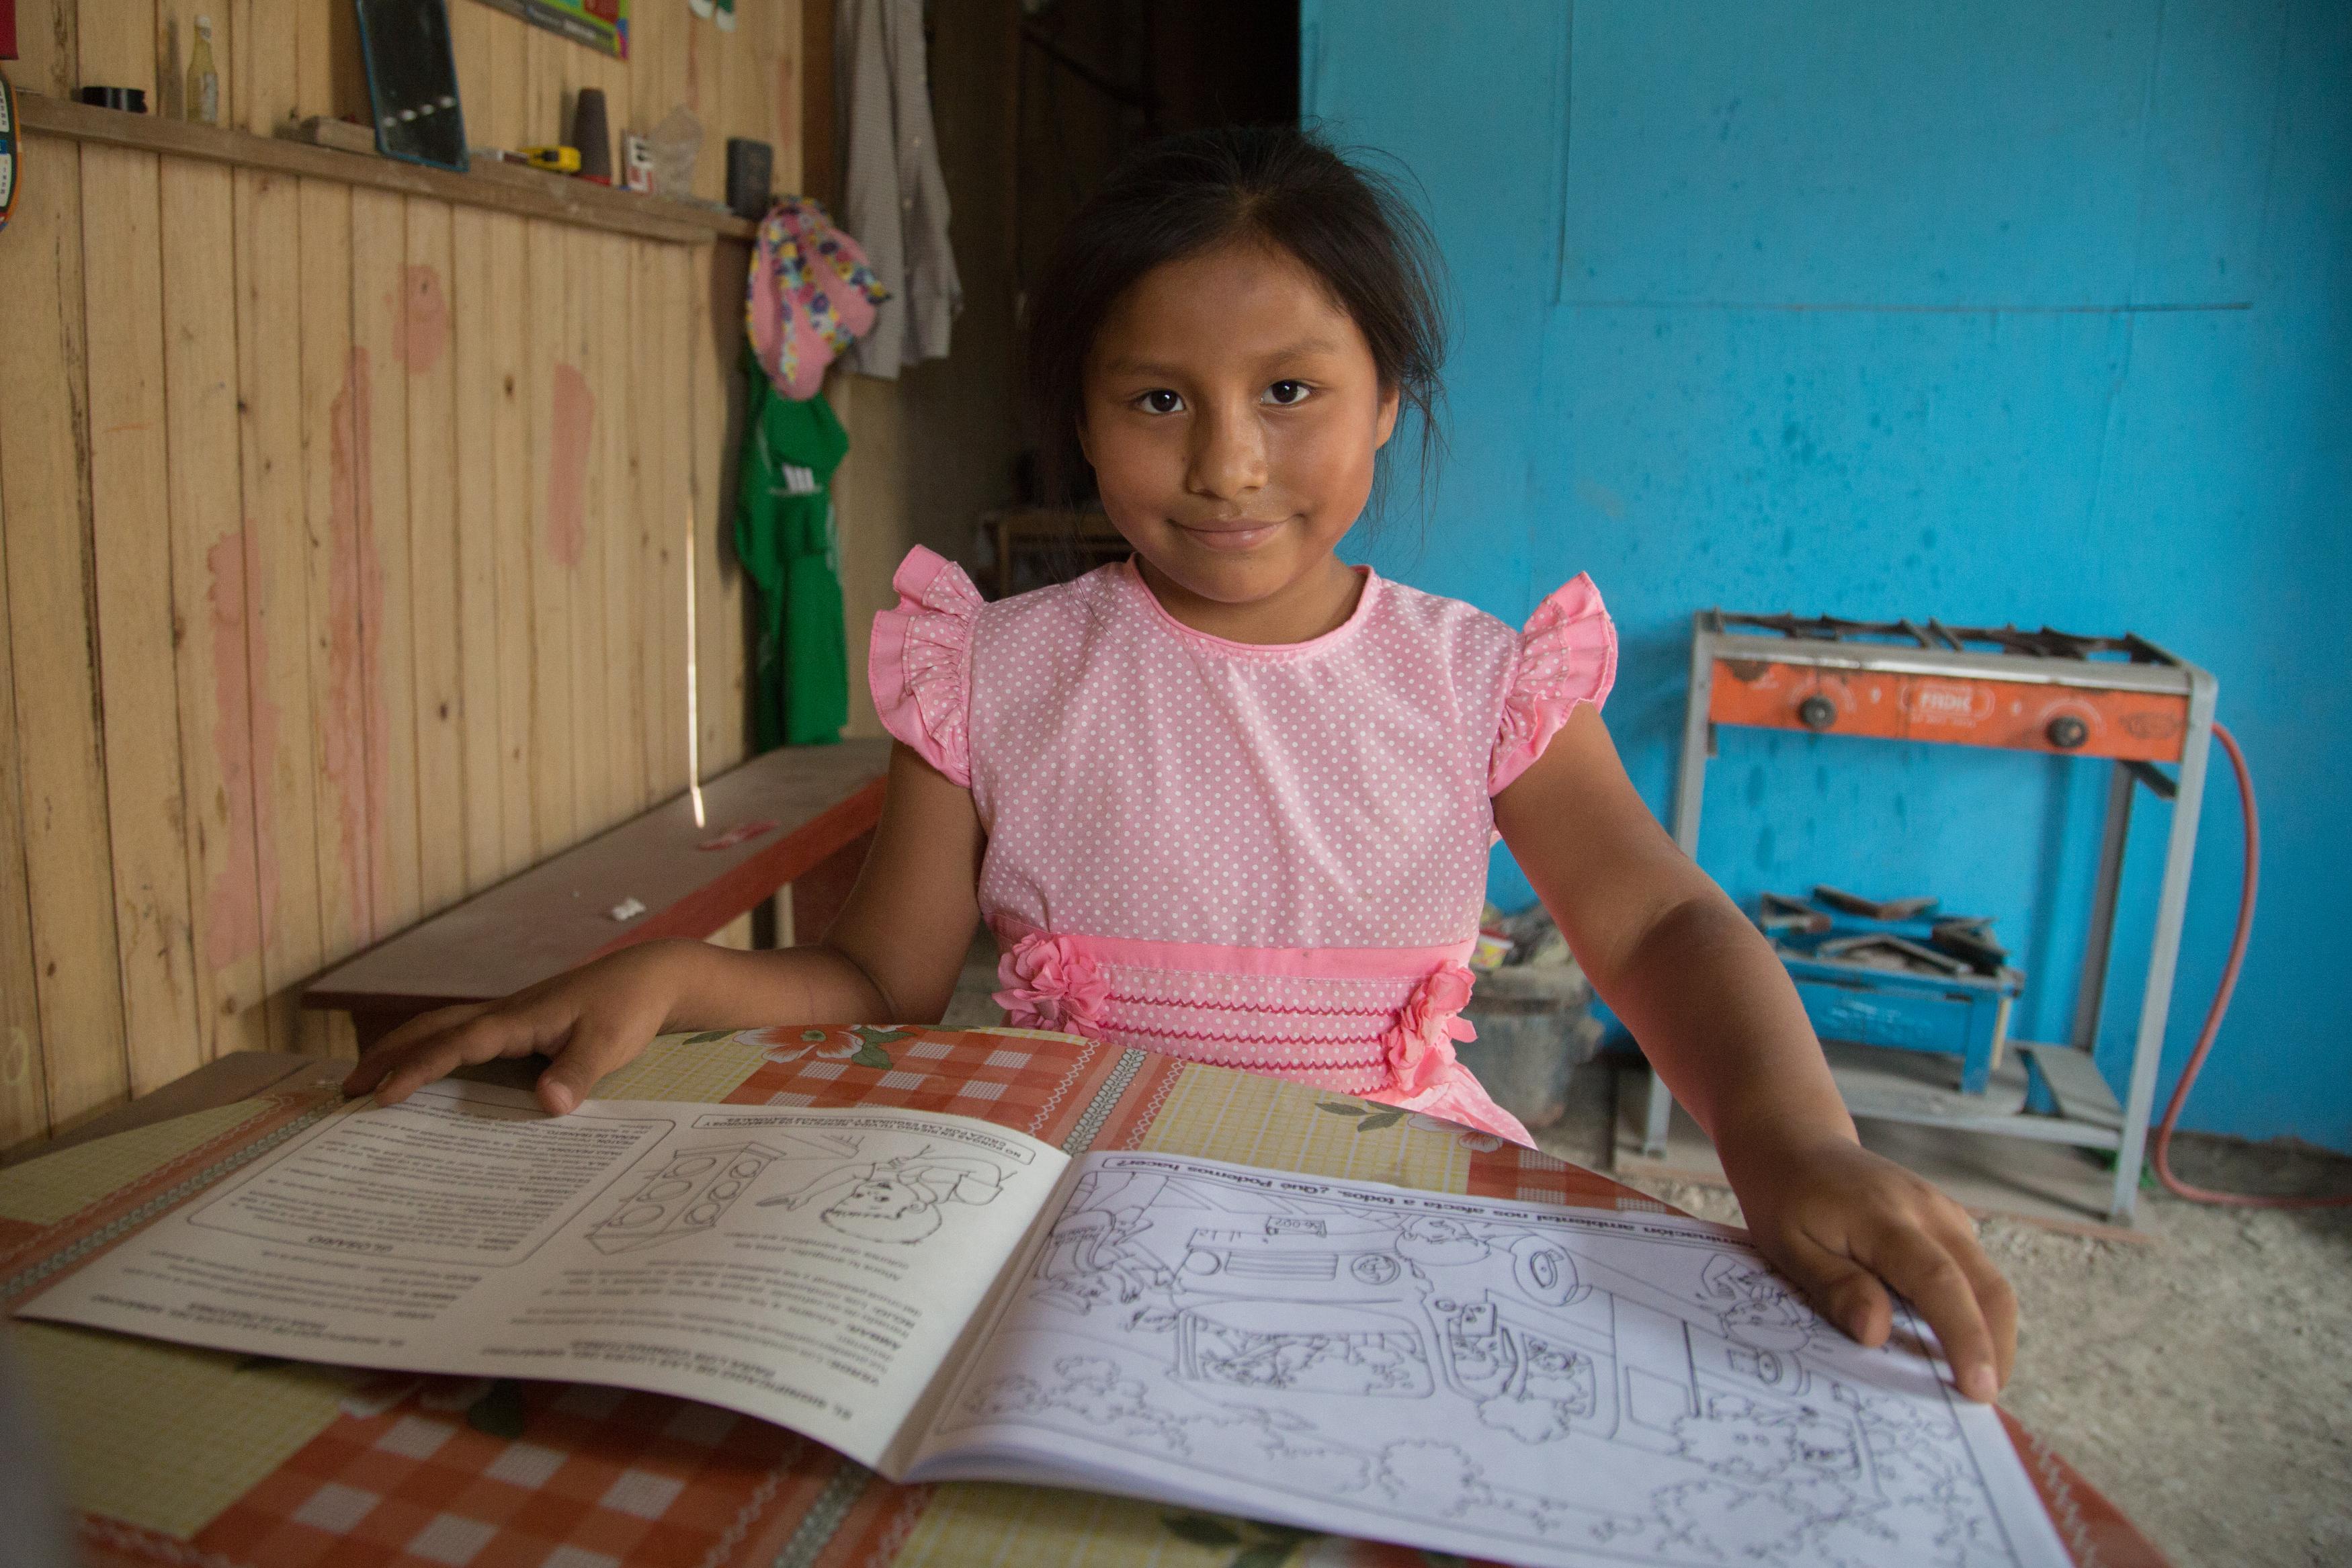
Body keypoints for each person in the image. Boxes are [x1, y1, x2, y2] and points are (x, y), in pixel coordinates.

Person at [347, 126, 2016, 1403]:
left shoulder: (1476, 682)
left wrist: (1790, 1141)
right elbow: (878, 977)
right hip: (1075, 1221)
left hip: (1396, 1213)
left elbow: (1654, 928)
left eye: (1290, 391)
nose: (1226, 464)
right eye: (1159, 399)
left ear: (1384, 407)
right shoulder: (994, 670)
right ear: (1082, 415)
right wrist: (677, 974)